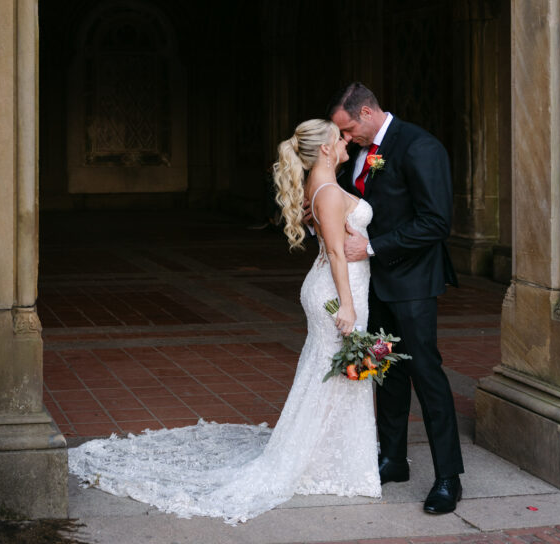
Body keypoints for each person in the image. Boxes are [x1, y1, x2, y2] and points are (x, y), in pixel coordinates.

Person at [68, 118, 381, 523]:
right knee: (333, 376)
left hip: (330, 287)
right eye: (339, 139)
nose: (345, 143)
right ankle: (323, 464)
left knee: (328, 375)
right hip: (338, 291)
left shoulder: (319, 189)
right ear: (324, 149)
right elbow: (339, 254)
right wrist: (349, 306)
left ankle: (326, 460)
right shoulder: (330, 193)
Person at [329, 82, 464, 515]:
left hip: (413, 285)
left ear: (367, 112)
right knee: (383, 369)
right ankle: (393, 459)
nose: (347, 140)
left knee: (426, 373)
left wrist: (371, 248)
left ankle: (448, 477)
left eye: (349, 130)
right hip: (375, 282)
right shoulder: (363, 152)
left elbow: (435, 222)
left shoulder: (420, 146)